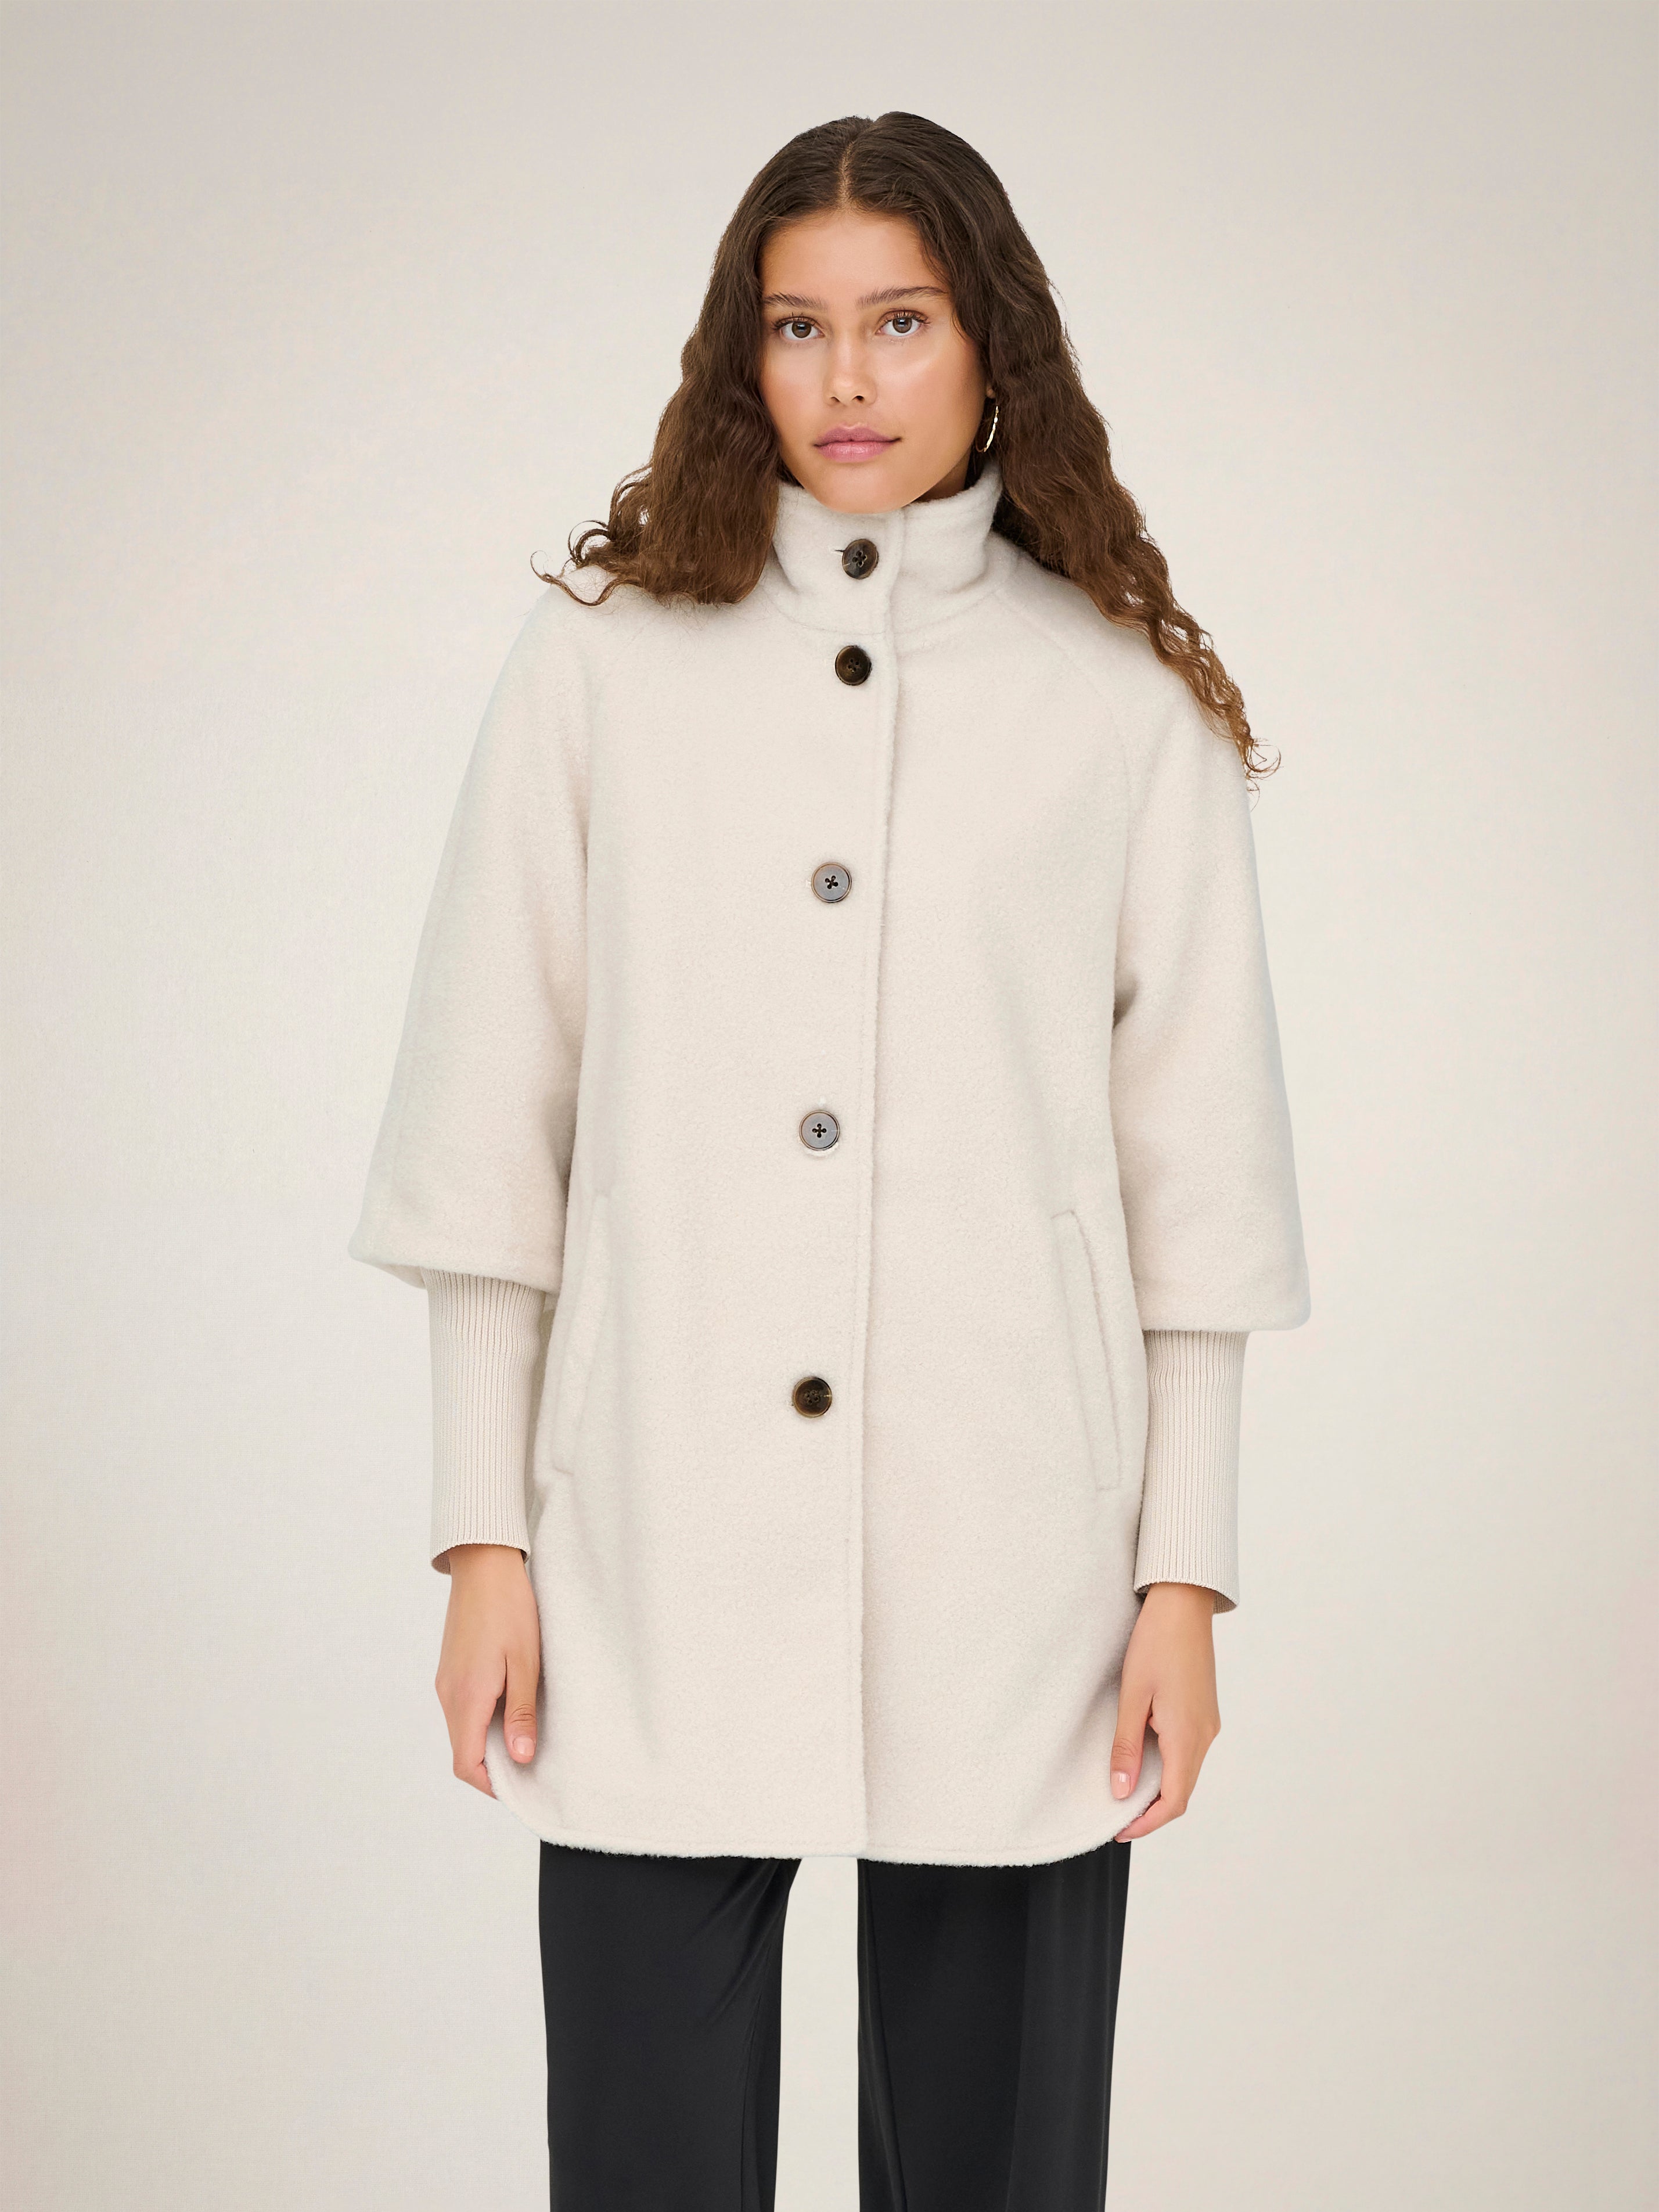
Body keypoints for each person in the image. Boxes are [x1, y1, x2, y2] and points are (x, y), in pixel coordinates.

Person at [349, 109, 1309, 2211]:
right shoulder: (602, 664)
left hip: (1023, 1559)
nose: (847, 378)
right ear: (741, 351)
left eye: (900, 321)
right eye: (797, 326)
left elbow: (1197, 1184)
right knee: (642, 2165)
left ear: (993, 346)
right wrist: (480, 1532)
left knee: (996, 2171)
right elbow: (489, 1117)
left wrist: (1182, 1573)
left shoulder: (1116, 699)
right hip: (650, 1538)